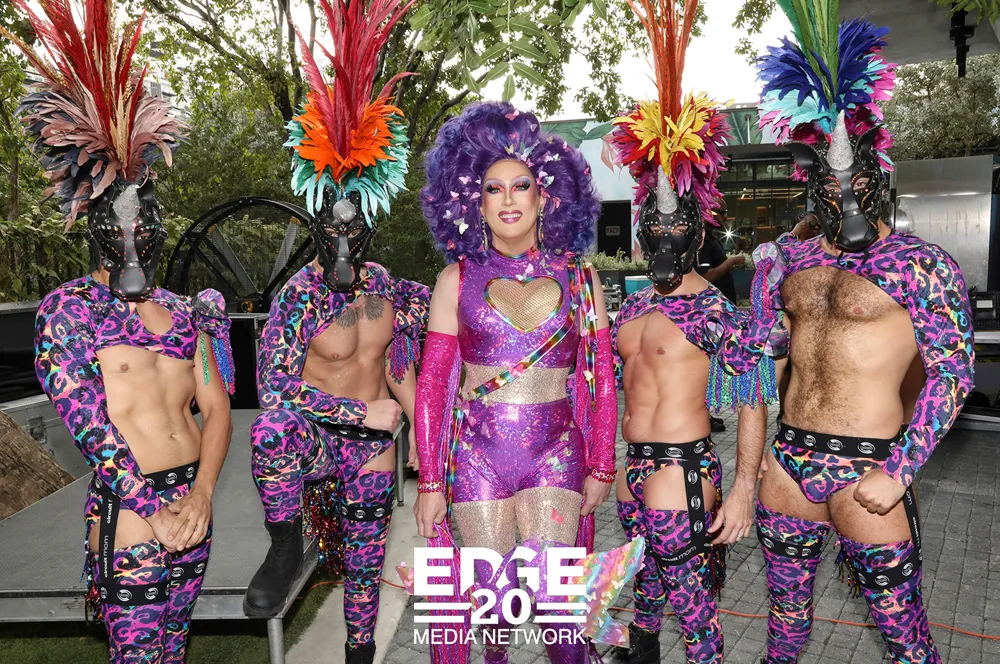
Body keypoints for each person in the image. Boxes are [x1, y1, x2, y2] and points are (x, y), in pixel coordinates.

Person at [9, 2, 236, 661]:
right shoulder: (68, 312)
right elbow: (91, 429)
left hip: (194, 503)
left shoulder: (189, 311)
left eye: (148, 220)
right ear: (96, 224)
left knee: (175, 650)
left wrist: (201, 494)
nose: (137, 232)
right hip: (131, 510)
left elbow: (216, 406)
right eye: (121, 222)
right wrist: (153, 507)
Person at [753, 6, 975, 663]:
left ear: (877, 174)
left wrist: (901, 468)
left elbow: (953, 374)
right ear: (810, 181)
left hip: (870, 468)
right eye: (827, 179)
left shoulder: (921, 264)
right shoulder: (792, 261)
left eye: (853, 177)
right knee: (784, 628)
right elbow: (763, 355)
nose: (842, 190)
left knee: (906, 640)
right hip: (787, 465)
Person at [241, 3, 428, 663]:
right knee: (270, 433)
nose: (344, 239)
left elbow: (425, 340)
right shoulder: (297, 298)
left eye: (355, 228)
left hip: (373, 452)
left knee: (365, 570)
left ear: (369, 225)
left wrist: (423, 430)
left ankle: (358, 652)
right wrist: (358, 411)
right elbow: (274, 390)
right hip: (318, 441)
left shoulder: (388, 287)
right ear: (318, 227)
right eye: (333, 228)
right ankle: (284, 542)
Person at [414, 101, 618, 664]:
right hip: (476, 461)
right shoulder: (454, 280)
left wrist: (603, 463)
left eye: (521, 186)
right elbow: (432, 385)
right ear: (473, 202)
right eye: (493, 189)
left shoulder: (581, 278)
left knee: (557, 605)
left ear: (545, 197)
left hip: (556, 456)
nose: (508, 199)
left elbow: (601, 377)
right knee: (494, 609)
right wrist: (430, 480)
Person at [605, 3, 778, 661]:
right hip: (634, 469)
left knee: (695, 612)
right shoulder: (630, 308)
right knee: (647, 587)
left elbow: (752, 398)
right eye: (653, 226)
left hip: (683, 470)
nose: (663, 236)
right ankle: (641, 651)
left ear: (696, 234)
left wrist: (744, 487)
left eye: (677, 227)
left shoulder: (714, 311)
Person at [696, 199, 744, 303]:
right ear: (708, 211)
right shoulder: (703, 240)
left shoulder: (710, 237)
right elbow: (706, 276)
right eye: (722, 212)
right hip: (713, 305)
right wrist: (732, 261)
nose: (725, 217)